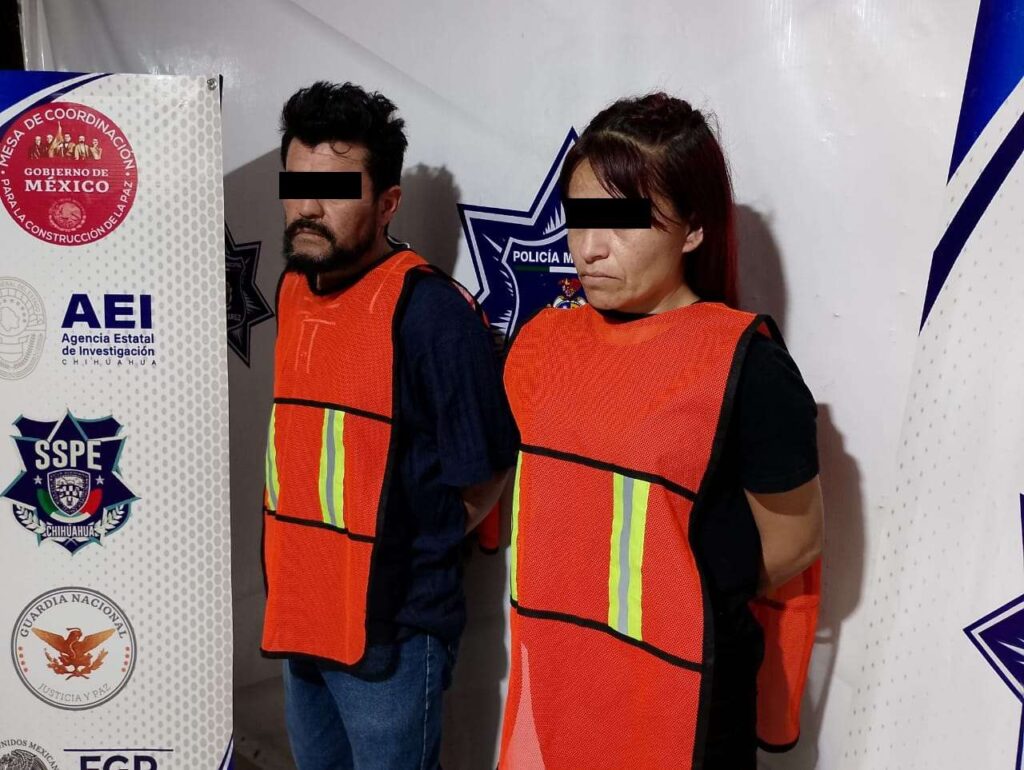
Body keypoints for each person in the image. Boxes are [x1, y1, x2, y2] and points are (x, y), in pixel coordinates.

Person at [499, 93, 824, 769]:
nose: (590, 247)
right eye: (580, 218)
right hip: (558, 681)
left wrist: (676, 604)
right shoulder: (541, 343)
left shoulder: (745, 364)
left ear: (694, 229)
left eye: (623, 220)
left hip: (683, 699)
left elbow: (793, 542)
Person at [261, 81, 518, 770]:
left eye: (335, 191)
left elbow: (486, 469)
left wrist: (408, 550)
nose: (308, 208)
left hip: (393, 635)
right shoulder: (293, 288)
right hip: (300, 617)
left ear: (388, 203)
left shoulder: (432, 314)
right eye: (296, 185)